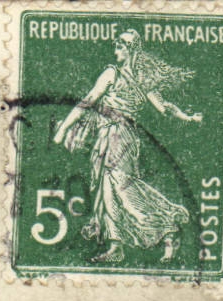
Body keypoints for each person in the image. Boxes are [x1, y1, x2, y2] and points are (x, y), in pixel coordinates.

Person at [52, 29, 202, 264]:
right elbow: (88, 102)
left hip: (121, 137)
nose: (115, 49)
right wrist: (64, 129)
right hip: (107, 136)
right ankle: (116, 246)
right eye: (116, 44)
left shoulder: (128, 78)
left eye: (120, 45)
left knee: (123, 188)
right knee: (106, 189)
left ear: (131, 49)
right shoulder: (115, 74)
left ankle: (168, 227)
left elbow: (163, 107)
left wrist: (187, 117)